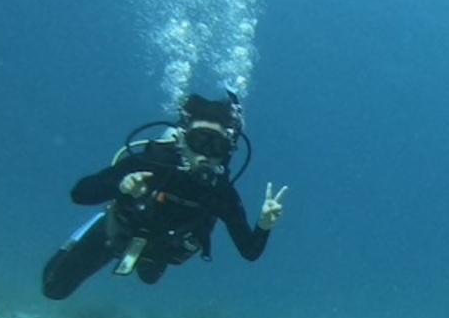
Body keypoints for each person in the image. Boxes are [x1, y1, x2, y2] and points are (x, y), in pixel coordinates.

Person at [42, 91, 288, 300]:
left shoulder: (220, 192)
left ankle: (143, 259)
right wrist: (120, 186)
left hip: (163, 251)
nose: (205, 154)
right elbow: (79, 194)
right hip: (116, 233)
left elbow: (250, 251)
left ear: (227, 152)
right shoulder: (152, 163)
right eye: (199, 141)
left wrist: (264, 225)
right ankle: (91, 229)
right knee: (54, 289)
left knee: (149, 278)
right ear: (182, 139)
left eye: (217, 147)